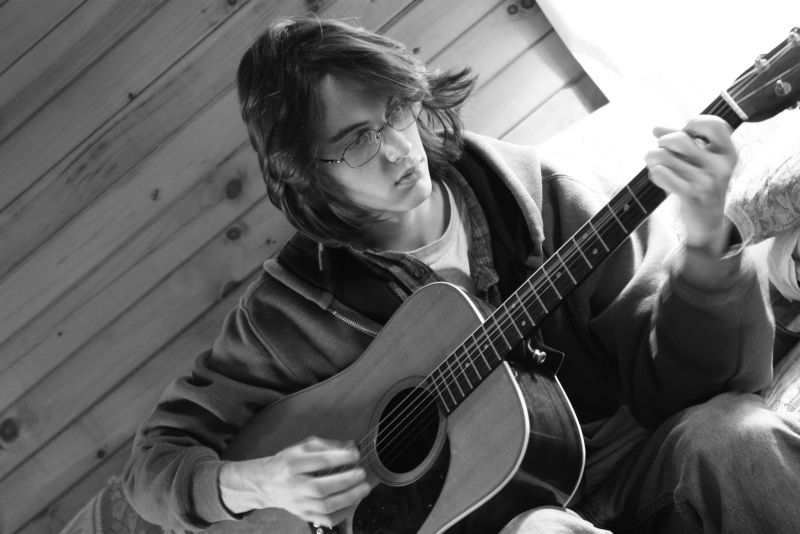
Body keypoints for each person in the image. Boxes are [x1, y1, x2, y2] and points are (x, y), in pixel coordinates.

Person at [122, 16, 800, 534]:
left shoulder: (545, 196)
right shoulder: (287, 312)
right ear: (306, 175)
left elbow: (699, 390)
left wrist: (708, 243)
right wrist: (256, 483)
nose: (396, 149)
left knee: (735, 434)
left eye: (395, 110)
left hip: (632, 473)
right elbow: (153, 464)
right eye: (356, 141)